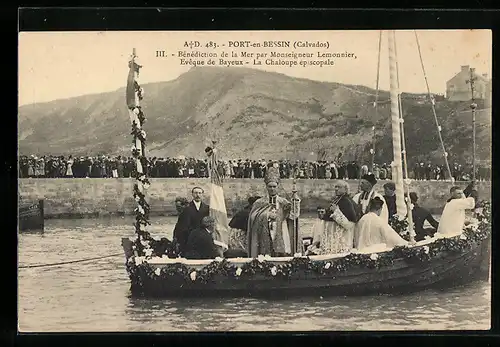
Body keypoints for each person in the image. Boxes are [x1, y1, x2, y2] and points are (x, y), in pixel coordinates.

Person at [247, 167, 300, 257]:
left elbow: (293, 216)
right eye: (270, 186)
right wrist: (266, 215)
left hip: (280, 235)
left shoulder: (283, 202)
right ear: (266, 187)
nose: (272, 189)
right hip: (264, 237)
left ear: (277, 187)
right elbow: (252, 218)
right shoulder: (259, 202)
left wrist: (296, 202)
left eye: (274, 186)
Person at [317, 180, 359, 254]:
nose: (336, 189)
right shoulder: (337, 199)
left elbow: (349, 224)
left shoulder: (347, 202)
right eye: (335, 187)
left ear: (345, 189)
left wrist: (336, 212)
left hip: (340, 239)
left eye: (339, 187)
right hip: (331, 237)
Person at [172, 186, 210, 256]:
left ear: (202, 194)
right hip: (189, 238)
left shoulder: (207, 208)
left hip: (203, 237)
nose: (198, 195)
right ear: (192, 194)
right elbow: (181, 225)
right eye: (196, 193)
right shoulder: (187, 208)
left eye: (199, 193)